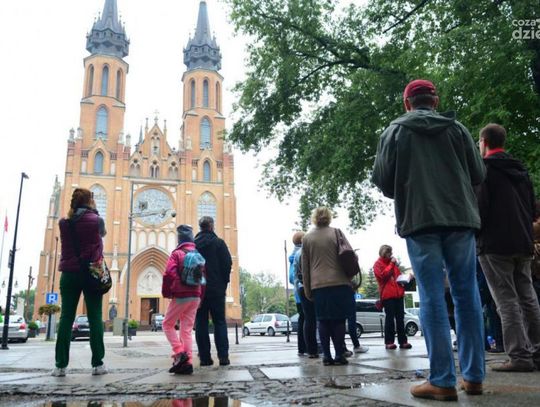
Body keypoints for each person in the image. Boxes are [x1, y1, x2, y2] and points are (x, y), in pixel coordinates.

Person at [372, 79, 486, 401]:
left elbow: (384, 181)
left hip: (421, 219)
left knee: (432, 295)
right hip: (460, 218)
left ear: (407, 103)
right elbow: (478, 174)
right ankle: (474, 377)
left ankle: (442, 380)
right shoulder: (458, 130)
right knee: (467, 294)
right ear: (436, 101)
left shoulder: (394, 132)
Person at [475, 123, 540, 372]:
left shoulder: (484, 170)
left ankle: (519, 356)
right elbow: (532, 210)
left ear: (484, 142)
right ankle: (537, 351)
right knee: (528, 297)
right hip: (523, 242)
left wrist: (476, 236)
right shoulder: (520, 170)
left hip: (495, 245)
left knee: (506, 300)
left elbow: (479, 210)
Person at [52, 188, 107, 377]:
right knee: (95, 317)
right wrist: (95, 212)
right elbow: (103, 233)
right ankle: (98, 364)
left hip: (69, 274)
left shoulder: (63, 223)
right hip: (91, 273)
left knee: (66, 318)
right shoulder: (97, 220)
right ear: (90, 201)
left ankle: (60, 366)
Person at [301, 207, 354, 366]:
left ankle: (326, 356)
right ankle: (339, 354)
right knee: (339, 320)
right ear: (329, 217)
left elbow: (305, 268)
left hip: (319, 285)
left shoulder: (307, 238)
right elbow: (349, 255)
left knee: (322, 321)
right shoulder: (337, 233)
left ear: (314, 218)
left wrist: (307, 289)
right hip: (339, 282)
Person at [162, 225, 205, 375]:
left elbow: (169, 273)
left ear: (179, 239)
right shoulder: (198, 255)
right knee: (186, 330)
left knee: (167, 324)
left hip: (181, 295)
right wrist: (200, 297)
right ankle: (188, 363)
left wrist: (167, 292)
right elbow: (203, 279)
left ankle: (179, 352)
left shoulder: (177, 253)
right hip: (195, 296)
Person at [194, 216, 233, 366]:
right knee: (220, 322)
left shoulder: (193, 245)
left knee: (201, 323)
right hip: (217, 289)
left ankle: (205, 358)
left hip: (198, 290)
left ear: (200, 227)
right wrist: (223, 283)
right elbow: (227, 263)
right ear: (211, 226)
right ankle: (223, 357)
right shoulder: (219, 243)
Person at [373, 245, 411, 350]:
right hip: (388, 296)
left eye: (391, 252)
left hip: (398, 294)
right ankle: (389, 342)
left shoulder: (393, 264)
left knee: (400, 319)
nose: (391, 255)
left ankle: (403, 341)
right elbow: (382, 276)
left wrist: (406, 278)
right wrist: (391, 264)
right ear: (384, 253)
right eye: (389, 253)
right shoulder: (378, 264)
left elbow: (397, 277)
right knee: (390, 319)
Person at [293, 237, 319, 358]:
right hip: (312, 287)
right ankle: (314, 349)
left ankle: (311, 350)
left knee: (308, 319)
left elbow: (294, 276)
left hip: (301, 288)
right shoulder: (308, 252)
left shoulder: (297, 254)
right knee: (313, 319)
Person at [289, 231, 306, 356]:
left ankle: (302, 348)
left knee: (303, 319)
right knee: (306, 319)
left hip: (297, 294)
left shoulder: (293, 255)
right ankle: (305, 347)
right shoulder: (299, 254)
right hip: (302, 292)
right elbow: (291, 277)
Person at [344, 274, 369, 355]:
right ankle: (356, 345)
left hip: (337, 291)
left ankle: (342, 347)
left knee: (340, 322)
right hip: (347, 291)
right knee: (351, 321)